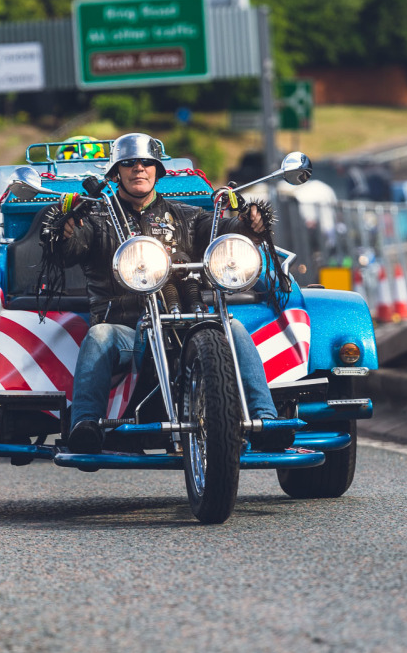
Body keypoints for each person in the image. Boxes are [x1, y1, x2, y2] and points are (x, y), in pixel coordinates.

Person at [55, 132, 291, 455]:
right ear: (116, 172)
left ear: (157, 170)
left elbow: (224, 232)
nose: (139, 168)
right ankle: (84, 424)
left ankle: (266, 419)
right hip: (130, 330)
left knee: (234, 327)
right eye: (129, 162)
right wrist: (65, 232)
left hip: (187, 322)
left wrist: (251, 225)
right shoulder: (96, 219)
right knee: (98, 335)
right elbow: (69, 249)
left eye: (146, 162)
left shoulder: (187, 215)